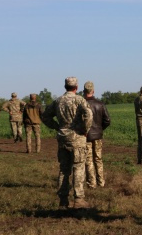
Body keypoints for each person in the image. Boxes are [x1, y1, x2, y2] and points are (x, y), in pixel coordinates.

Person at [41, 77, 93, 210]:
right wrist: (84, 129)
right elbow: (89, 114)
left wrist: (57, 126)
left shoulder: (58, 101)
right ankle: (79, 199)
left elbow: (45, 116)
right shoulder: (79, 100)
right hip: (77, 138)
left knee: (64, 169)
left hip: (63, 138)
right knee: (78, 168)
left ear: (65, 86)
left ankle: (63, 200)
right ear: (76, 87)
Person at [83, 81, 110, 189]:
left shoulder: (81, 105)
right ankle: (101, 182)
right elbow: (107, 120)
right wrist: (100, 129)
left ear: (84, 91)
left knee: (88, 160)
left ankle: (91, 183)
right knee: (98, 159)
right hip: (98, 136)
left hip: (86, 136)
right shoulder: (100, 104)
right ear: (93, 91)